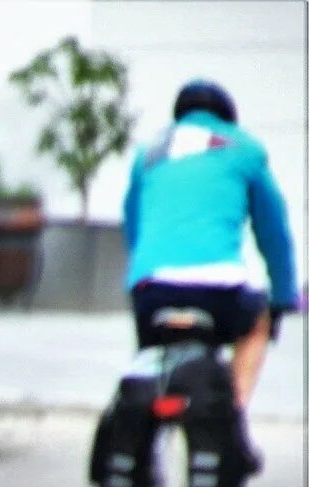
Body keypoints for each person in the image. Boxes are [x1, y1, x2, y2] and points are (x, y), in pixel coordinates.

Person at [122, 80, 299, 440]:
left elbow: (134, 226)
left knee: (152, 354)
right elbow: (274, 234)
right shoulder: (245, 149)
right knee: (256, 324)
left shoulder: (149, 152)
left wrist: (145, 273)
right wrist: (282, 298)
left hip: (151, 289)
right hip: (217, 291)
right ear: (228, 119)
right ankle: (230, 419)